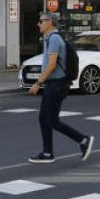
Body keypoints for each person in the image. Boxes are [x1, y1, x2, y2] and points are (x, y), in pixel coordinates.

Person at [27, 12, 93, 164]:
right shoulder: (51, 38)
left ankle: (83, 140)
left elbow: (51, 64)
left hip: (56, 85)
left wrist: (38, 83)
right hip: (54, 84)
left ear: (50, 22)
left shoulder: (54, 39)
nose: (38, 24)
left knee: (50, 120)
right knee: (45, 119)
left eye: (40, 21)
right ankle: (48, 153)